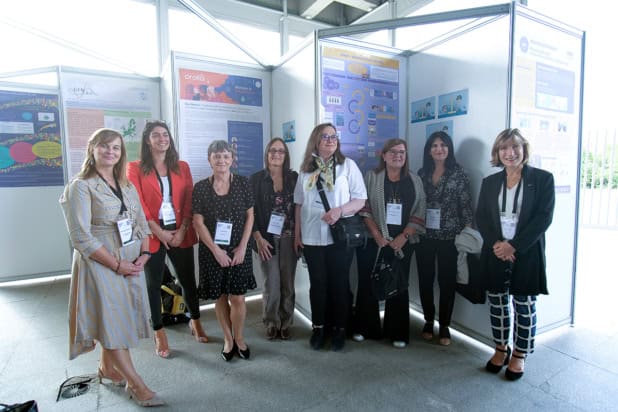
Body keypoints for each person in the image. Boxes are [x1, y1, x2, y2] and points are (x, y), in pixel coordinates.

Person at [59, 128, 164, 407]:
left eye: (116, 148)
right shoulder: (80, 186)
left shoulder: (126, 184)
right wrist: (117, 264)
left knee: (116, 318)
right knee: (114, 322)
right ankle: (137, 385)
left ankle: (107, 370)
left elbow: (140, 221)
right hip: (101, 262)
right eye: (105, 146)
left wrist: (143, 254)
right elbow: (80, 236)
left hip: (131, 260)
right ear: (92, 148)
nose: (110, 152)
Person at [476, 128, 555, 381]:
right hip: (496, 251)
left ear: (524, 150)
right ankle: (500, 348)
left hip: (526, 252)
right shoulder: (490, 182)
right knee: (498, 303)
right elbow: (482, 217)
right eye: (504, 148)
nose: (510, 153)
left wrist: (515, 246)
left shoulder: (542, 179)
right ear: (497, 153)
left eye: (515, 147)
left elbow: (543, 218)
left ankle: (519, 354)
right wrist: (498, 244)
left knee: (524, 305)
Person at [127, 121, 208, 359]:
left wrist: (183, 228)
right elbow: (138, 202)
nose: (162, 139)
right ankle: (159, 331)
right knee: (153, 285)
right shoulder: (135, 168)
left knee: (187, 280)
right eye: (156, 135)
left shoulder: (181, 166)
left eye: (165, 135)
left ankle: (195, 320)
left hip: (179, 229)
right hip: (152, 232)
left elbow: (189, 199)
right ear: (147, 140)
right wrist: (158, 232)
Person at [294, 123, 367, 352]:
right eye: (324, 137)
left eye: (333, 136)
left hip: (339, 238)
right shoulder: (306, 169)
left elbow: (360, 199)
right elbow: (299, 204)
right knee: (318, 285)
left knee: (339, 284)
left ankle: (339, 330)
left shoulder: (347, 166)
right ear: (315, 140)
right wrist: (297, 235)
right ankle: (319, 328)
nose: (330, 140)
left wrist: (339, 211)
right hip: (312, 237)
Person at [353, 138, 426, 348]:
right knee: (368, 281)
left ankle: (397, 332)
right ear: (383, 156)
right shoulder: (372, 177)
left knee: (398, 284)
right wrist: (377, 235)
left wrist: (403, 237)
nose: (398, 155)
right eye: (393, 152)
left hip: (403, 241)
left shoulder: (414, 180)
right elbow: (364, 207)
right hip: (374, 239)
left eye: (402, 152)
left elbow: (420, 209)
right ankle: (365, 328)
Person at [192, 140, 256, 361]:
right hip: (212, 251)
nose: (221, 160)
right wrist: (217, 251)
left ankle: (239, 338)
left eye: (225, 156)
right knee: (219, 297)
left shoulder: (243, 183)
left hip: (240, 249)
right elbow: (198, 223)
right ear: (209, 159)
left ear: (232, 159)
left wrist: (243, 246)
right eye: (216, 156)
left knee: (238, 298)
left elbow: (251, 216)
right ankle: (228, 339)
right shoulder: (200, 187)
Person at [416, 131, 473, 346]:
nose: (439, 149)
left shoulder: (459, 174)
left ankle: (445, 325)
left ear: (449, 149)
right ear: (428, 150)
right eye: (434, 146)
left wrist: (467, 234)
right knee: (425, 279)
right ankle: (428, 320)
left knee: (446, 282)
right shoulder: (422, 173)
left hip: (450, 237)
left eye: (443, 145)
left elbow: (466, 207)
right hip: (425, 236)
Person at [249, 138, 299, 340]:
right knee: (272, 282)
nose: (276, 154)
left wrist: (300, 237)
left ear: (286, 155)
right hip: (266, 239)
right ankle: (271, 321)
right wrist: (258, 237)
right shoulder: (256, 179)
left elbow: (300, 208)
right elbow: (249, 212)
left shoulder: (294, 178)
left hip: (289, 237)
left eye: (281, 151)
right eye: (272, 150)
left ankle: (286, 322)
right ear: (267, 154)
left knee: (288, 282)